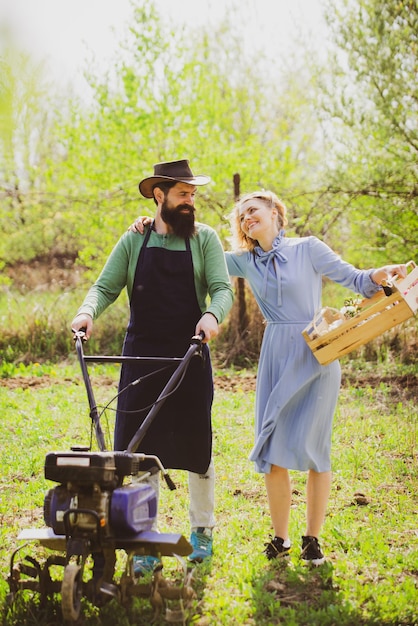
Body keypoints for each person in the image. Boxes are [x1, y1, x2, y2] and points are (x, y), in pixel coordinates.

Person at [130, 189, 407, 566]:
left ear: (276, 212)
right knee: (273, 449)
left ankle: (313, 539)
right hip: (276, 354)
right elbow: (198, 256)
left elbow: (356, 279)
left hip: (316, 352)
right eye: (242, 215)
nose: (246, 218)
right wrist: (154, 227)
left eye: (253, 210)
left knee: (315, 451)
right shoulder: (245, 262)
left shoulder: (309, 248)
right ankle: (281, 537)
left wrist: (381, 273)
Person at [71, 159, 233, 573]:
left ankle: (202, 531)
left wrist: (211, 317)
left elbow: (220, 289)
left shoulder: (205, 239)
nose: (190, 201)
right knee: (139, 451)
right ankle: (143, 538)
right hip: (140, 355)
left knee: (198, 445)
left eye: (193, 194)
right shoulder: (133, 241)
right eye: (182, 194)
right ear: (159, 196)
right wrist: (87, 313)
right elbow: (105, 286)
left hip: (190, 353)